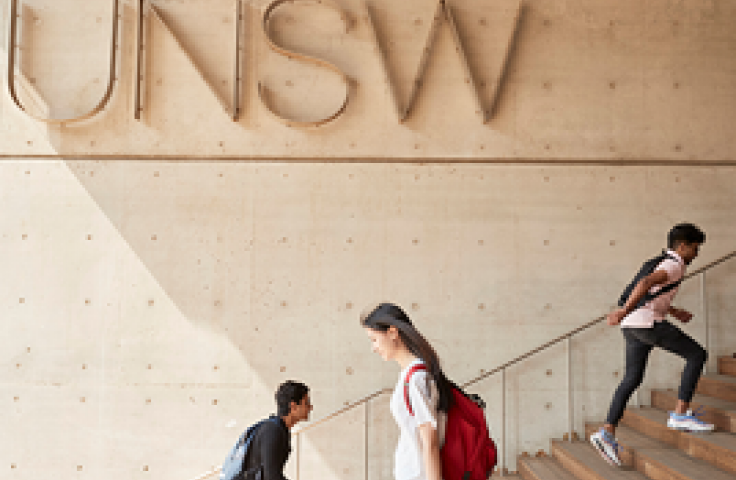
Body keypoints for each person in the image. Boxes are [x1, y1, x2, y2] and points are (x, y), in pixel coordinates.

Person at [590, 223, 714, 467]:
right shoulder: (673, 264)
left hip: (633, 328)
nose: (696, 254)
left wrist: (675, 311)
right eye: (695, 248)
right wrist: (623, 312)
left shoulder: (659, 260)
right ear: (683, 246)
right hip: (646, 324)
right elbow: (646, 283)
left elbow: (652, 294)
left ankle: (606, 433)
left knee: (631, 379)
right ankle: (679, 414)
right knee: (697, 355)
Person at [361, 303, 452, 480]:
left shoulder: (416, 379)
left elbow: (430, 442)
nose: (373, 348)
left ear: (393, 333)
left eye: (374, 339)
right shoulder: (410, 375)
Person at [243, 381, 313, 480]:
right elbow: (271, 475)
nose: (310, 408)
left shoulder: (279, 430)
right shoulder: (272, 431)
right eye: (306, 403)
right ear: (293, 406)